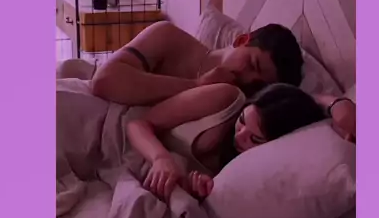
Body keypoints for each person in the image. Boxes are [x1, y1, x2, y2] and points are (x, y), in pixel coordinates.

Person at [125, 81, 347, 203]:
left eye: (255, 138)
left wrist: (196, 190)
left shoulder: (249, 173)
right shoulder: (226, 99)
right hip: (121, 132)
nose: (239, 136)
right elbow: (137, 124)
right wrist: (161, 158)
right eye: (241, 121)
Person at [90, 20, 304, 106]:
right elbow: (104, 81)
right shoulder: (168, 37)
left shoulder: (235, 104)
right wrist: (196, 85)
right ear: (241, 41)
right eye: (251, 64)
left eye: (258, 84)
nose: (247, 79)